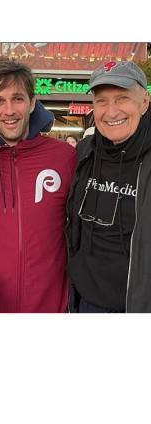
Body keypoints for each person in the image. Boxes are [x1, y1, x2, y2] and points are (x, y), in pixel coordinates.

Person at [0, 60, 77, 312]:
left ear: (33, 103)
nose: (9, 110)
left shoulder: (66, 157)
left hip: (51, 308)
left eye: (18, 99)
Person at [66, 61, 151, 312]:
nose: (111, 112)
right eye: (102, 101)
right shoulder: (84, 153)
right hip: (83, 302)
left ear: (144, 102)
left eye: (122, 98)